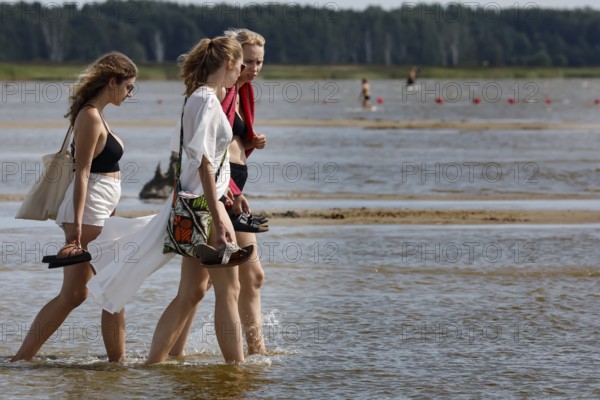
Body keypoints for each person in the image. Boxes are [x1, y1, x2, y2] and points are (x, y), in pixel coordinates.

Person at [85, 36, 246, 364]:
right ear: (229, 63)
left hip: (198, 203)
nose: (243, 70)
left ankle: (153, 366)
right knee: (228, 291)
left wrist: (227, 193)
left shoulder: (201, 97)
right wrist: (218, 213)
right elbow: (201, 160)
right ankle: (238, 372)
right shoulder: (206, 100)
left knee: (193, 293)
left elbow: (195, 156)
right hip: (204, 206)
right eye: (241, 63)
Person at [11, 52, 137, 362]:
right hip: (88, 213)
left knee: (76, 294)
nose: (130, 93)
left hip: (98, 212)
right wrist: (77, 226)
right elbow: (82, 174)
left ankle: (22, 359)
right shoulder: (90, 116)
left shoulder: (97, 114)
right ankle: (117, 364)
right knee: (111, 288)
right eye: (129, 86)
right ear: (112, 81)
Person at [169, 28, 268, 358]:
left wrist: (250, 143)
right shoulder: (218, 95)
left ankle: (176, 354)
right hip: (221, 192)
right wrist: (228, 193)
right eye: (248, 62)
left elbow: (227, 147)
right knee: (233, 279)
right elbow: (207, 156)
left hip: (233, 187)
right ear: (231, 60)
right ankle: (248, 357)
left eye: (258, 62)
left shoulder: (244, 93)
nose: (252, 69)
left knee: (211, 284)